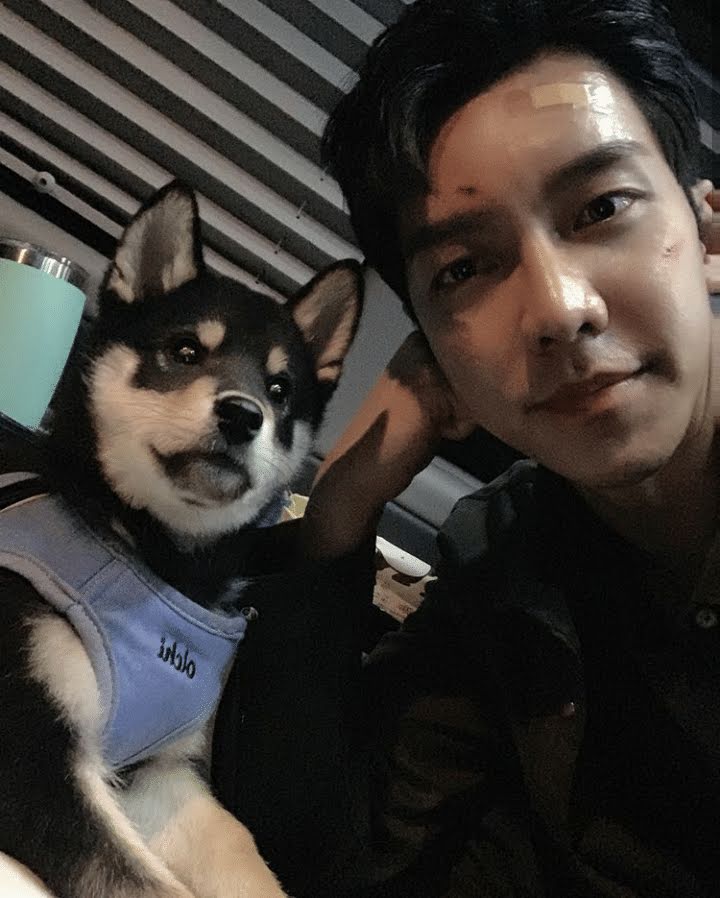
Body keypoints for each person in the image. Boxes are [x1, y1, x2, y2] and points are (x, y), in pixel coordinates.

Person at [209, 2, 720, 895]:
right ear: (432, 350)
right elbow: (322, 857)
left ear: (710, 235)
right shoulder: (507, 565)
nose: (559, 308)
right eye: (464, 270)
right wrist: (341, 508)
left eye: (601, 208)